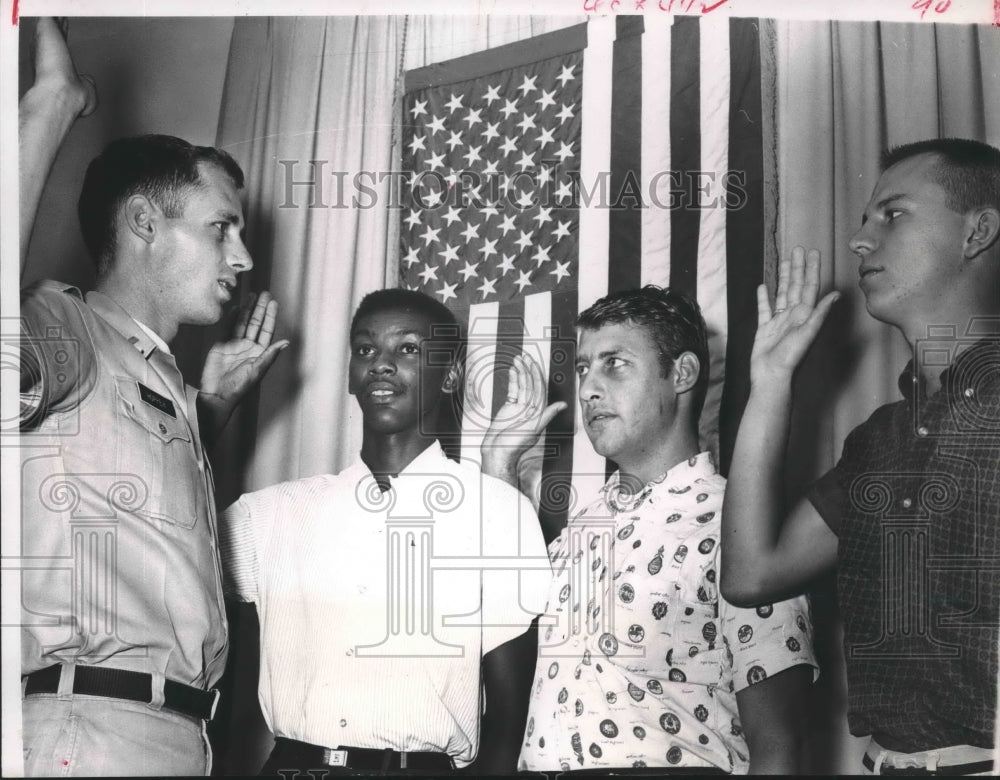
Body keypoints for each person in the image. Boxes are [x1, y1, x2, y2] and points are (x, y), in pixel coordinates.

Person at [18, 19, 288, 777]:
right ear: (143, 222)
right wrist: (49, 108)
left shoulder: (155, 371)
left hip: (176, 734)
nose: (243, 256)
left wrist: (209, 412)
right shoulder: (64, 325)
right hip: (91, 730)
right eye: (221, 228)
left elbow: (128, 500)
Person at [719, 138, 1000, 775]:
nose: (859, 240)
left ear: (977, 232)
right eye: (865, 219)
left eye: (893, 215)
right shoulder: (881, 439)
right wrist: (771, 382)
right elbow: (751, 575)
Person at [484, 287, 818, 774]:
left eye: (614, 364)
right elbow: (502, 636)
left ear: (681, 374)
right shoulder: (575, 535)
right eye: (583, 368)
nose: (588, 388)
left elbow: (780, 746)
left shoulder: (739, 526)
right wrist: (499, 464)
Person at [218, 288, 551, 775]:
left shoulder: (498, 512)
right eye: (365, 349)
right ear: (351, 373)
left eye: (408, 348)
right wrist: (210, 411)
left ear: (451, 375)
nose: (381, 364)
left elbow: (507, 723)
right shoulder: (268, 514)